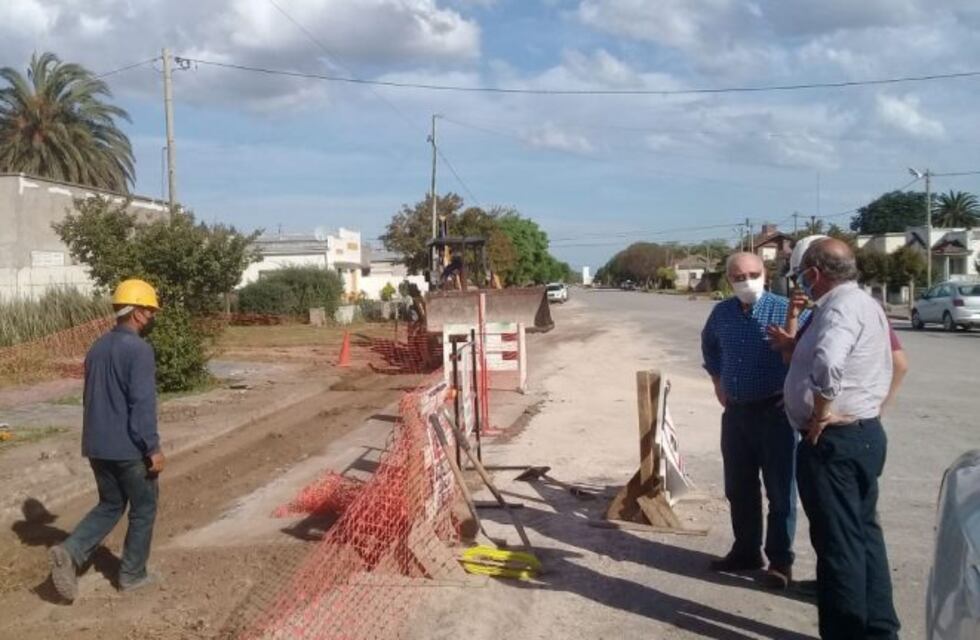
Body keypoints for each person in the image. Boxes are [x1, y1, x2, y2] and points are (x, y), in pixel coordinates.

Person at [784, 238, 900, 639]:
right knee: (865, 537)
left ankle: (847, 632)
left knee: (839, 549)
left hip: (834, 442)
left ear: (814, 274)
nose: (801, 283)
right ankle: (880, 629)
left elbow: (829, 361)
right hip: (863, 434)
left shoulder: (839, 308)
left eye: (802, 276)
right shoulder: (866, 304)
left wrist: (819, 413)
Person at [48, 279, 164, 602]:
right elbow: (141, 404)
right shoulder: (139, 350)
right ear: (138, 313)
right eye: (150, 311)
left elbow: (90, 397)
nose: (152, 317)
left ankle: (70, 552)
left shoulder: (97, 347)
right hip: (129, 447)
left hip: (96, 445)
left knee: (111, 503)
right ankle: (132, 575)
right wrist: (152, 448)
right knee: (144, 507)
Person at [701, 252, 800, 589]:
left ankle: (780, 561)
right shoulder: (722, 313)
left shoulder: (787, 309)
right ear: (729, 279)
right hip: (737, 414)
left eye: (753, 274)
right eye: (739, 276)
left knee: (780, 491)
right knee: (739, 487)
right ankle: (746, 550)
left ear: (766, 274)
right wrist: (718, 380)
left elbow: (811, 353)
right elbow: (710, 347)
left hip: (776, 413)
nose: (746, 281)